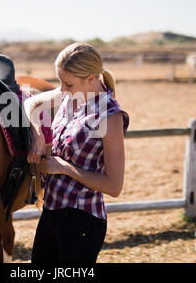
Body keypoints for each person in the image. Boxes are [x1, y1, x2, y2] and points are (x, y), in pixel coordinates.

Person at [24, 43, 129, 263]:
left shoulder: (110, 117)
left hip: (82, 221)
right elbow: (31, 103)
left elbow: (114, 186)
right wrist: (37, 133)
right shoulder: (71, 94)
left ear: (90, 79)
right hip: (51, 211)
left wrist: (64, 168)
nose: (61, 89)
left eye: (68, 83)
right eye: (60, 81)